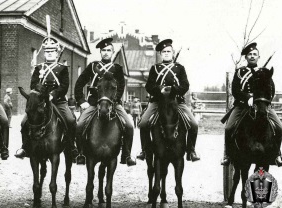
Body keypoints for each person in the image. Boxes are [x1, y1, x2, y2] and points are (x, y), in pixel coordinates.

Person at [221, 43, 282, 166]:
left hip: (261, 105)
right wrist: (247, 98)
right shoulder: (240, 72)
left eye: (254, 54)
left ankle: (277, 155)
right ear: (246, 57)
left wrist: (261, 101)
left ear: (258, 57)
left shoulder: (264, 72)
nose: (252, 56)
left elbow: (271, 89)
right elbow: (235, 90)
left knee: (280, 128)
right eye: (250, 54)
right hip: (241, 106)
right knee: (228, 128)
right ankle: (227, 156)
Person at [74, 38, 136, 166]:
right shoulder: (92, 66)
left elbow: (121, 87)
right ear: (100, 52)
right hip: (93, 103)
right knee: (79, 125)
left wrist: (115, 100)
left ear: (113, 52)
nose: (106, 52)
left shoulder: (117, 68)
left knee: (129, 125)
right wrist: (81, 101)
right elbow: (79, 84)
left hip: (113, 104)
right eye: (104, 50)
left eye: (109, 50)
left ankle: (126, 155)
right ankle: (80, 153)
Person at [14, 36, 78, 159]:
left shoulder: (62, 68)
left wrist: (52, 95)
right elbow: (32, 85)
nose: (49, 53)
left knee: (70, 120)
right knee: (24, 122)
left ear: (56, 52)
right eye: (47, 51)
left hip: (58, 102)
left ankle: (71, 146)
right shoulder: (39, 68)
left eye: (52, 51)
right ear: (44, 52)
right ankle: (25, 147)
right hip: (40, 102)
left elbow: (64, 86)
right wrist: (41, 90)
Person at [137, 39, 200, 162]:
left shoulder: (180, 68)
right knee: (143, 123)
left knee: (193, 124)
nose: (166, 53)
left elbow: (185, 85)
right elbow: (149, 86)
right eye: (164, 52)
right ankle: (144, 150)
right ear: (160, 54)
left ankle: (191, 150)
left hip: (177, 102)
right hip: (157, 102)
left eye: (168, 51)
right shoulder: (155, 68)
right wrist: (159, 89)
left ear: (173, 52)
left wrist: (173, 90)